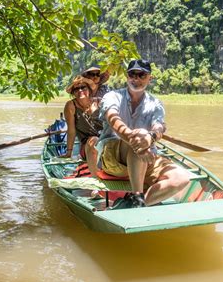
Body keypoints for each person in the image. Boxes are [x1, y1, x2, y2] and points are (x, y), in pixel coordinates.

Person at [96, 59, 191, 208]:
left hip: (145, 156)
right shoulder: (112, 96)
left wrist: (151, 137)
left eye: (142, 75)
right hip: (113, 157)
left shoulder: (155, 104)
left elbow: (159, 127)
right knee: (140, 135)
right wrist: (135, 138)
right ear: (127, 76)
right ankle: (136, 195)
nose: (136, 79)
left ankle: (137, 204)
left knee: (182, 178)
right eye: (132, 74)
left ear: (150, 78)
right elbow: (114, 120)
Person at [62, 75, 103, 176]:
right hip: (88, 144)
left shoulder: (99, 102)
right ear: (73, 93)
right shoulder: (71, 106)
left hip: (105, 139)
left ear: (89, 89)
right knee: (94, 141)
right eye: (76, 89)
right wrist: (69, 152)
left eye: (83, 87)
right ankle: (95, 180)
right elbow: (71, 131)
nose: (80, 90)